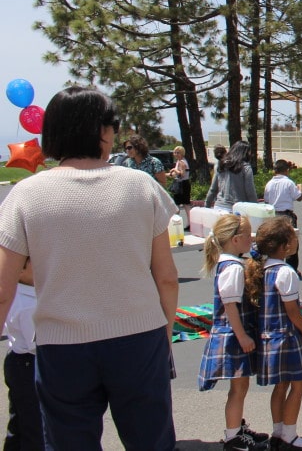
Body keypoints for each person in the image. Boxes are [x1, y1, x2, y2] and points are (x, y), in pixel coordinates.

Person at [0, 86, 179, 449]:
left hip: (61, 343)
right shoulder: (140, 186)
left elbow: (3, 288)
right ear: (102, 131)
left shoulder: (25, 194)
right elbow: (166, 276)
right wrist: (165, 331)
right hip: (138, 335)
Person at [197, 214, 269, 451]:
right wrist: (242, 336)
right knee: (238, 388)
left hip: (234, 333)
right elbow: (230, 306)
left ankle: (237, 427)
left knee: (241, 386)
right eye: (248, 234)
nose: (252, 238)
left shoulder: (230, 262)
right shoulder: (232, 268)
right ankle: (233, 437)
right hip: (233, 334)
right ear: (237, 239)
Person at [245, 217, 302, 451]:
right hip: (285, 335)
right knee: (299, 384)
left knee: (281, 385)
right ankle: (290, 433)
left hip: (268, 336)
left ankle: (278, 431)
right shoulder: (286, 272)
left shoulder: (262, 269)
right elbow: (292, 309)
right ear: (286, 245)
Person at [3, 258, 41, 451]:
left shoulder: (17, 294)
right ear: (19, 271)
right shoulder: (28, 305)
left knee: (19, 419)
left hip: (16, 361)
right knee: (34, 425)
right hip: (28, 364)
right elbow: (37, 345)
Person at [264, 160, 302, 275]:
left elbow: (266, 200)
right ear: (286, 170)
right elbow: (298, 197)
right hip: (286, 216)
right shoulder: (289, 183)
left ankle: (273, 265)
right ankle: (292, 268)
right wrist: (300, 188)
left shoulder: (269, 184)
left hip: (273, 215)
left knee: (274, 242)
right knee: (291, 242)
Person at [206, 141, 257, 213]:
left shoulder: (221, 165)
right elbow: (250, 192)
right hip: (237, 210)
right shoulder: (246, 168)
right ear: (244, 153)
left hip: (219, 207)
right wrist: (256, 208)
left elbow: (213, 189)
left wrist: (206, 206)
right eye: (249, 152)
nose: (250, 154)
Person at [169, 145, 192, 213]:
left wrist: (174, 169)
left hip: (182, 184)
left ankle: (178, 221)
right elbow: (175, 175)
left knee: (180, 204)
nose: (176, 154)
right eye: (175, 152)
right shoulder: (179, 161)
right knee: (185, 204)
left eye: (178, 152)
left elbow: (182, 174)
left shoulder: (182, 162)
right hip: (181, 184)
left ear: (182, 153)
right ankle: (188, 221)